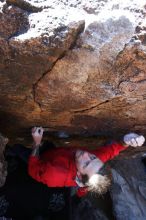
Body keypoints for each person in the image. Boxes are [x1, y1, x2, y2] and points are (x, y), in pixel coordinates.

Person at [28, 127, 145, 197]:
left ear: (78, 175)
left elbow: (32, 169)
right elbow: (114, 149)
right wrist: (127, 140)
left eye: (85, 163)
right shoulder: (96, 163)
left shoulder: (54, 175)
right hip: (58, 152)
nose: (86, 155)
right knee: (86, 187)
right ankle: (80, 193)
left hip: (42, 159)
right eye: (92, 158)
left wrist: (36, 143)